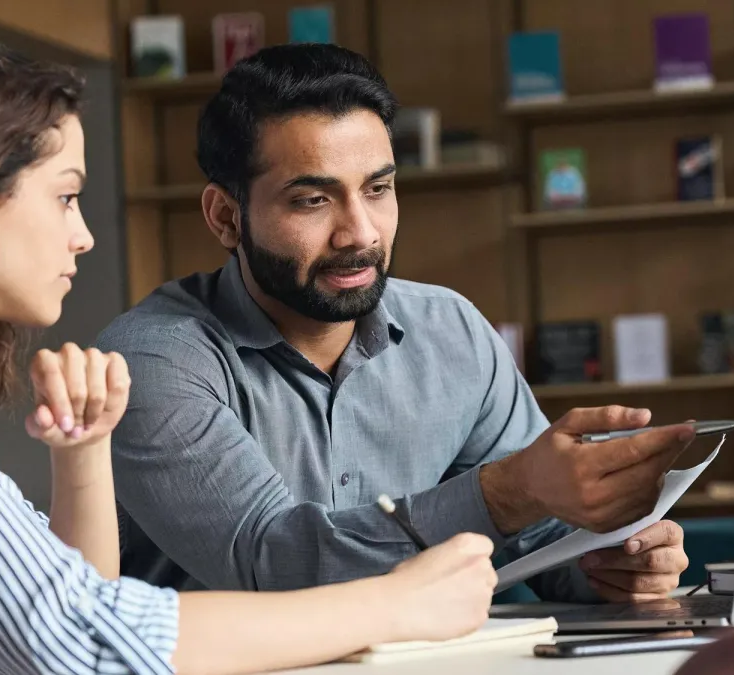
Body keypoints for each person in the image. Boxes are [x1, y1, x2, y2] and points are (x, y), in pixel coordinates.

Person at [0, 38, 500, 675]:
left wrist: (82, 455)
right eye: (65, 196)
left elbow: (68, 608)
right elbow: (78, 638)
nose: (83, 236)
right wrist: (396, 600)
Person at [97, 42, 694, 605]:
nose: (361, 233)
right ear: (226, 217)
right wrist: (510, 491)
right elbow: (272, 564)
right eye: (313, 200)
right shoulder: (152, 361)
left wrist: (614, 562)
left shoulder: (452, 332)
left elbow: (538, 543)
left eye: (377, 189)